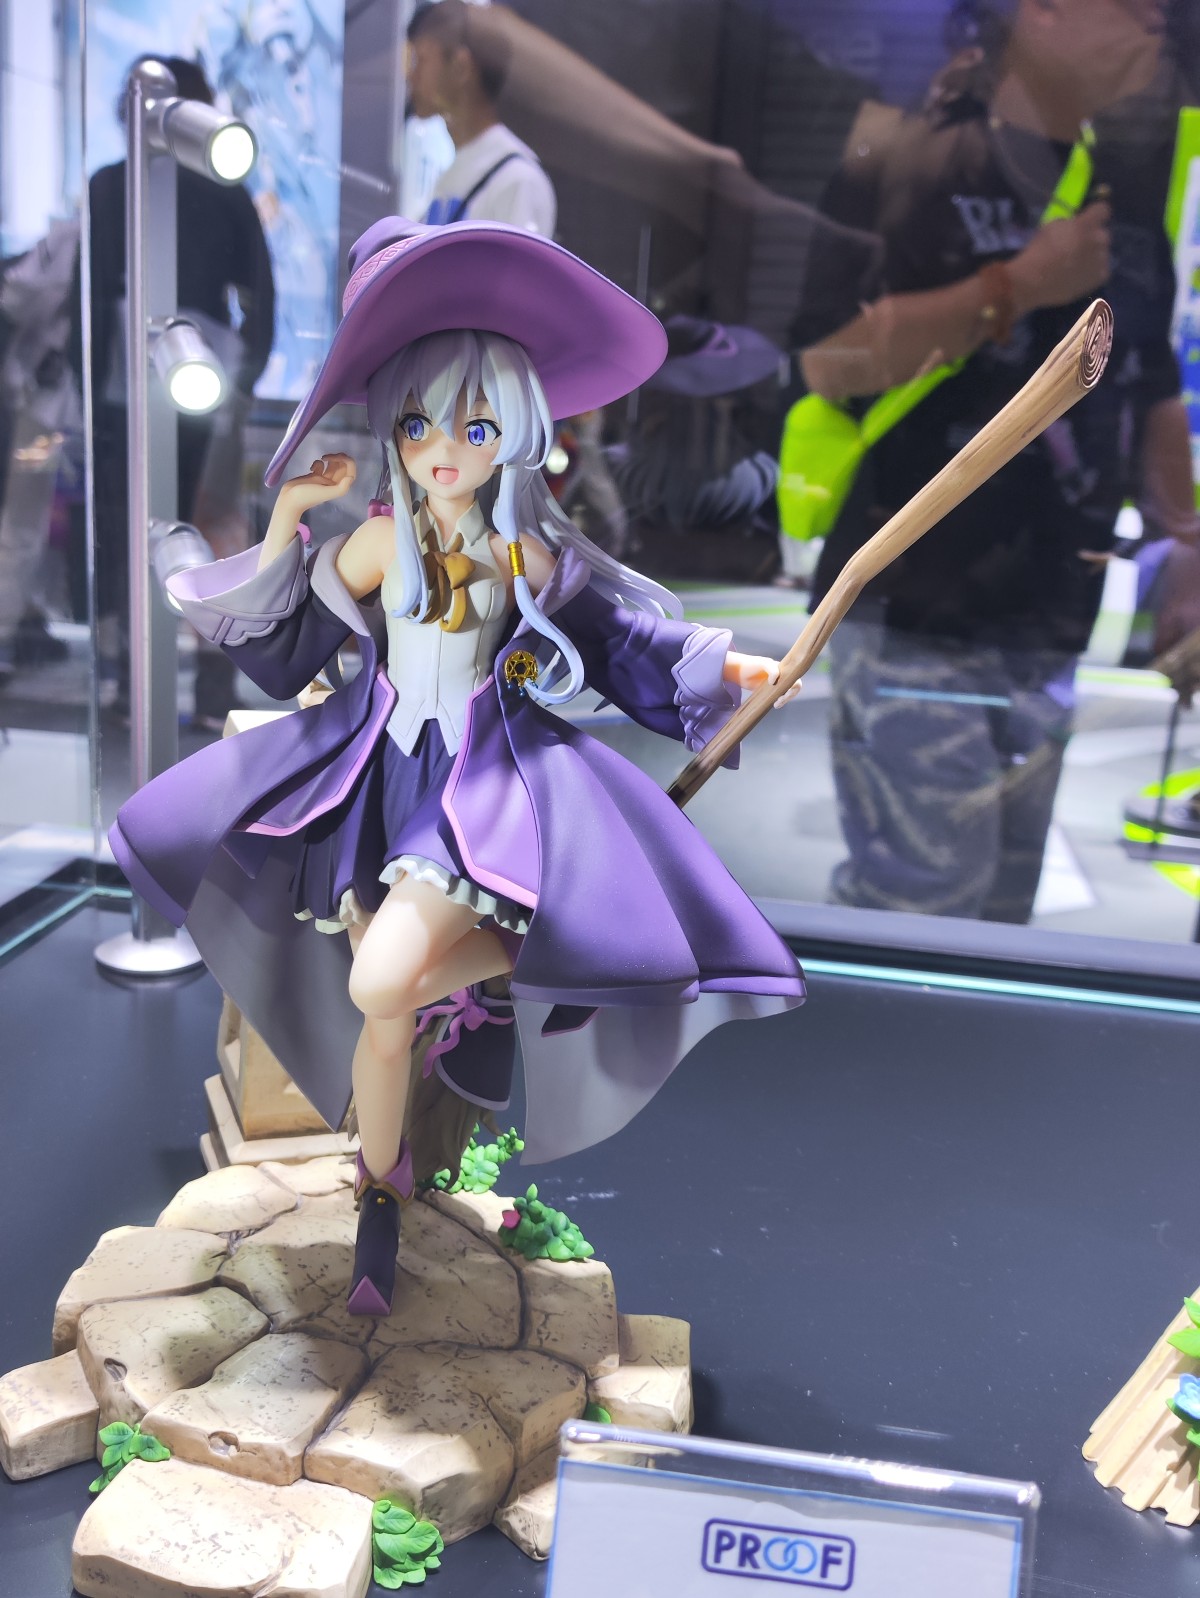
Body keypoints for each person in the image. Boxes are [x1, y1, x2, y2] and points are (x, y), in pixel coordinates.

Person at [109, 216, 805, 1316]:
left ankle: (523, 957)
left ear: (511, 436)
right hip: (372, 784)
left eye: (476, 427)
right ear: (395, 426)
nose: (445, 451)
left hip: (480, 792)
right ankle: (378, 1197)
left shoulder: (523, 551)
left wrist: (731, 669)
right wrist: (289, 510)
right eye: (422, 423)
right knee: (383, 1013)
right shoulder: (379, 542)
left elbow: (626, 640)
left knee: (382, 981)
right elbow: (282, 645)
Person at [796, 0, 1193, 922]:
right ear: (1040, 11)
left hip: (1051, 619)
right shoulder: (918, 150)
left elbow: (1150, 379)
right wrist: (1017, 285)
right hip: (912, 610)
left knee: (1005, 916)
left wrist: (1186, 543)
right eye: (1130, 5)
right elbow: (827, 359)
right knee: (918, 906)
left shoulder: (1127, 178)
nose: (1156, 24)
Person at [79, 55, 275, 725]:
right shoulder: (116, 187)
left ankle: (171, 686)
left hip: (166, 384)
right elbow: (91, 293)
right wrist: (243, 378)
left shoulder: (145, 187)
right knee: (165, 530)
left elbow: (258, 295)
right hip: (145, 385)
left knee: (180, 530)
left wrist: (241, 382)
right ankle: (157, 684)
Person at [406, 0, 556, 235]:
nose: (411, 76)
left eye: (420, 61)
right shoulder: (457, 174)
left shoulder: (517, 180)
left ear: (460, 67)